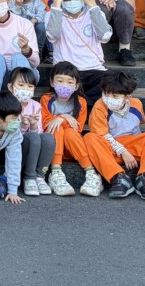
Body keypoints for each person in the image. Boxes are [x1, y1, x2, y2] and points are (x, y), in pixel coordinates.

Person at [86, 70, 145, 200]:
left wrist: (129, 149)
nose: (109, 98)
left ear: (127, 97)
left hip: (134, 147)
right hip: (111, 149)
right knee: (90, 138)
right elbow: (101, 134)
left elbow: (141, 122)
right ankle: (118, 177)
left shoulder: (136, 104)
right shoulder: (100, 106)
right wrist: (123, 151)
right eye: (106, 93)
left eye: (115, 96)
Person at [39, 61, 101, 197]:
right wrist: (63, 117)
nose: (64, 85)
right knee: (57, 128)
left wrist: (61, 119)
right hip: (53, 148)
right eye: (60, 81)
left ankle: (91, 172)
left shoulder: (81, 102)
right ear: (52, 82)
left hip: (73, 148)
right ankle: (56, 171)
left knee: (69, 132)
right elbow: (45, 124)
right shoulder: (46, 99)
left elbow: (77, 128)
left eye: (69, 82)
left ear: (76, 86)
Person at [46, 0, 112, 100]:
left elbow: (105, 36)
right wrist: (57, 3)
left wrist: (92, 5)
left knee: (111, 84)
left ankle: (84, 105)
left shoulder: (95, 13)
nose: (72, 1)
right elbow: (52, 36)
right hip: (66, 71)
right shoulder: (52, 14)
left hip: (93, 69)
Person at [7, 67, 54, 197]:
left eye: (30, 86)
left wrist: (33, 124)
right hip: (13, 145)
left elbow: (38, 132)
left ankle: (40, 176)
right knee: (33, 137)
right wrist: (22, 125)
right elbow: (8, 132)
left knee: (48, 138)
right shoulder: (7, 105)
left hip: (32, 143)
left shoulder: (35, 106)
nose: (25, 90)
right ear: (10, 87)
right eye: (21, 85)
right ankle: (29, 177)